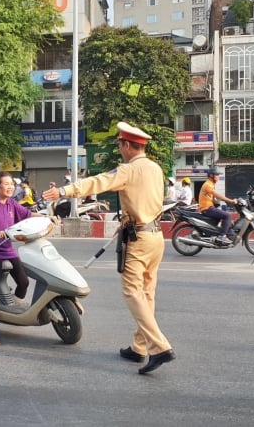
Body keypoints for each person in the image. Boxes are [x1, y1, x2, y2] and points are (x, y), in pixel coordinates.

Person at [42, 121, 174, 375]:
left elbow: (98, 182)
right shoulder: (155, 168)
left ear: (126, 145)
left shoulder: (129, 169)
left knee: (133, 292)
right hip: (155, 236)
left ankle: (159, 347)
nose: (120, 149)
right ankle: (139, 347)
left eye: (120, 145)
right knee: (147, 293)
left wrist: (63, 190)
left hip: (139, 239)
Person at [0, 171, 43, 347]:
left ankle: (10, 309)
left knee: (24, 282)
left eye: (12, 184)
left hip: (8, 250)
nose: (10, 186)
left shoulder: (12, 204)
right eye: (6, 184)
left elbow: (28, 215)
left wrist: (46, 218)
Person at [198, 168, 238, 245]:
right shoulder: (208, 184)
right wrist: (231, 201)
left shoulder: (211, 184)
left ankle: (220, 233)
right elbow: (218, 196)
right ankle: (221, 236)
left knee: (224, 215)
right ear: (211, 175)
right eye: (217, 175)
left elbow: (214, 198)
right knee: (228, 216)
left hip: (209, 207)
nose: (218, 176)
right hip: (207, 208)